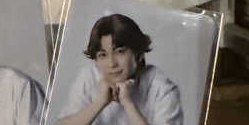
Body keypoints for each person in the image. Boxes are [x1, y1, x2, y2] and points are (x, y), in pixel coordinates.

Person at [55, 14, 183, 125]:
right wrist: (100, 102)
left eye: (120, 51)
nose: (112, 64)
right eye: (103, 55)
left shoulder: (163, 89)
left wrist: (128, 103)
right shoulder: (89, 78)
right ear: (96, 60)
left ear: (138, 53)